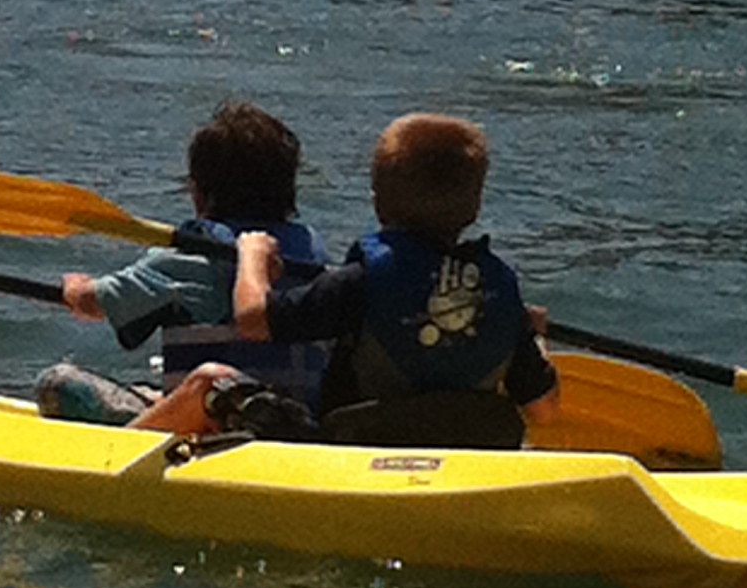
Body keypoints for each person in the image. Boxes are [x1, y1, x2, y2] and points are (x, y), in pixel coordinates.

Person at [147, 112, 560, 445]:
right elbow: (544, 409)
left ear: (378, 204)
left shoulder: (362, 281)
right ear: (474, 209)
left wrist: (251, 255)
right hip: (462, 458)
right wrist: (533, 335)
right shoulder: (500, 291)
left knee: (211, 382)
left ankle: (115, 462)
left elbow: (253, 320)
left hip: (353, 458)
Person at [36, 102, 329, 428]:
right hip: (298, 424)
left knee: (56, 384)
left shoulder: (193, 259)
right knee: (148, 393)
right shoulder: (310, 255)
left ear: (199, 192)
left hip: (212, 428)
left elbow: (94, 301)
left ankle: (130, 436)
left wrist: (75, 289)